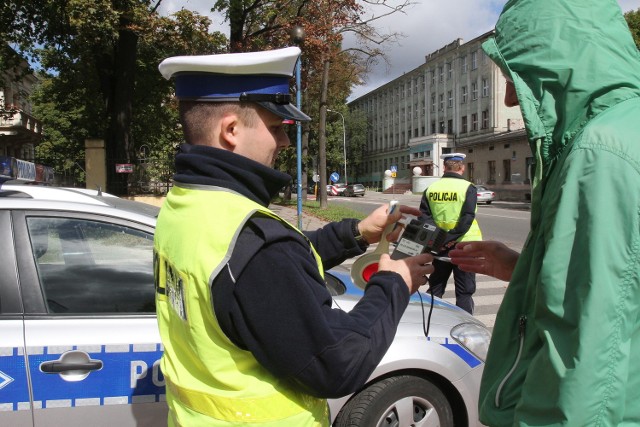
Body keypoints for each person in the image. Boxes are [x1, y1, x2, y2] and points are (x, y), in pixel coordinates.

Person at [153, 46, 434, 426]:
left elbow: (265, 274)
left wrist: (357, 233)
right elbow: (338, 363)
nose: (284, 143)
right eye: (274, 128)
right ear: (231, 130)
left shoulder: (184, 206)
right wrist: (393, 284)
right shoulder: (254, 240)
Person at [448, 0, 640, 425]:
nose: (511, 97)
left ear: (556, 65)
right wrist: (523, 269)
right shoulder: (625, 131)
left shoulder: (598, 152)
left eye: (515, 77)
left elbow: (585, 351)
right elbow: (619, 296)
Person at [418, 152, 482, 314]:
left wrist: (441, 240)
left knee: (436, 288)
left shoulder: (430, 189)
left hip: (438, 246)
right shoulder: (468, 188)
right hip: (465, 246)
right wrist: (451, 239)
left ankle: (429, 323)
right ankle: (465, 326)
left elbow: (425, 218)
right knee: (465, 291)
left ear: (444, 168)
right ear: (462, 168)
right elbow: (467, 218)